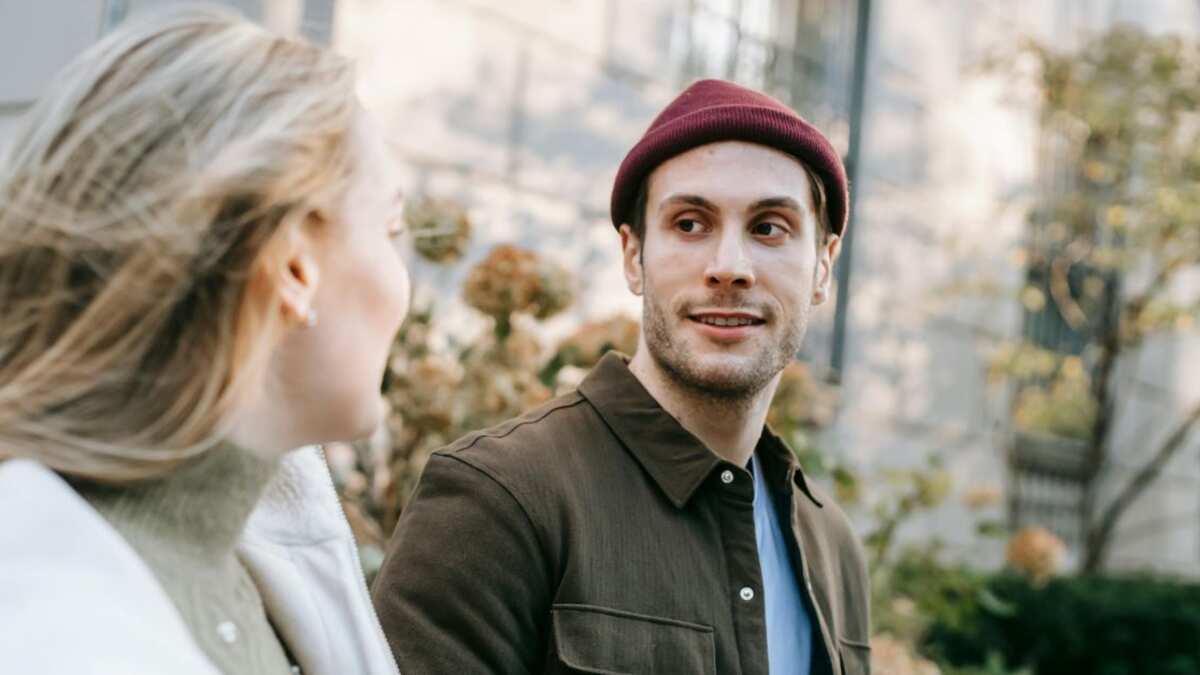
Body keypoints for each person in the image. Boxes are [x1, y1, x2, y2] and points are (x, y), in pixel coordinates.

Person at [372, 78, 871, 674]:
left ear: (823, 266)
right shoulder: (501, 499)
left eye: (769, 228)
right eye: (690, 224)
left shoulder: (832, 547)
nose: (729, 268)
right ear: (634, 257)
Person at [0, 6, 407, 673]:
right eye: (390, 232)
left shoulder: (255, 555)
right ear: (293, 263)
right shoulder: (46, 631)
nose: (401, 285)